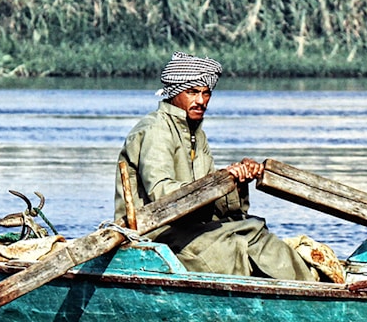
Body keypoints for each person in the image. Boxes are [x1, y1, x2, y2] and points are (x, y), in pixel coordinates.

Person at [114, 52, 317, 281]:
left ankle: (312, 289)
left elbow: (214, 205)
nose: (201, 101)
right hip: (156, 235)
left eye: (206, 93)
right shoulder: (155, 130)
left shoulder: (196, 135)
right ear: (174, 94)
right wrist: (218, 179)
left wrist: (237, 181)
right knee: (233, 248)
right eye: (192, 92)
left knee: (255, 230)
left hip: (191, 229)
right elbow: (163, 195)